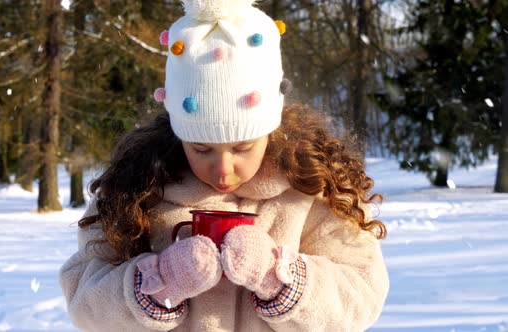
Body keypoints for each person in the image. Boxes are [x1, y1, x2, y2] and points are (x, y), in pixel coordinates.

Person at [59, 0, 389, 331]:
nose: (223, 169)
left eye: (243, 146)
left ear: (269, 130)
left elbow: (361, 294)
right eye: (201, 148)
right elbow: (85, 302)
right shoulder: (137, 188)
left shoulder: (311, 188)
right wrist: (159, 283)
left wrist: (280, 277)